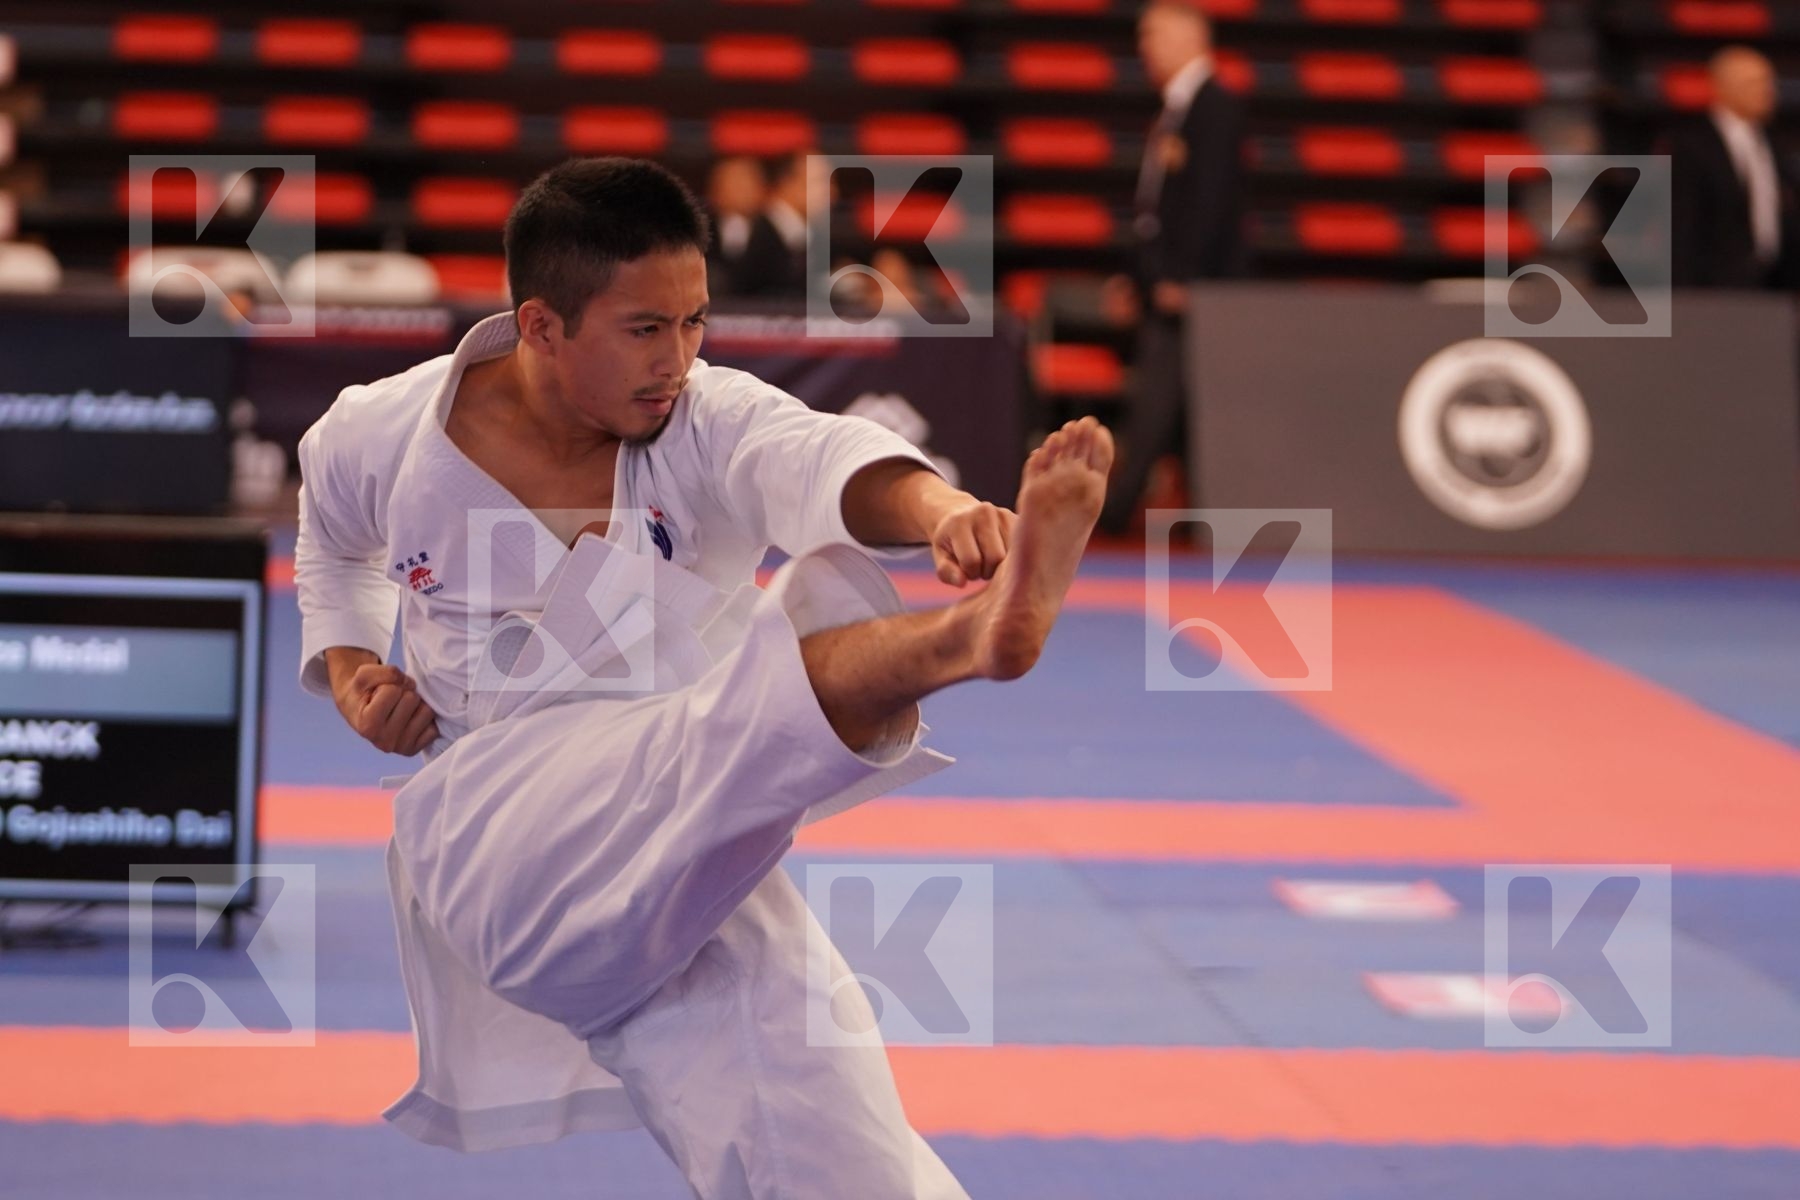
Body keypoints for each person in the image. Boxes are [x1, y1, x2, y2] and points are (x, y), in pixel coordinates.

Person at [293, 156, 1113, 1200]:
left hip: (695, 829)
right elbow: (331, 546)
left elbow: (811, 454)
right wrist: (359, 670)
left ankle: (975, 631)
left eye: (694, 324)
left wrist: (943, 515)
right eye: (645, 329)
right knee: (745, 705)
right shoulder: (386, 432)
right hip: (502, 833)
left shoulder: (697, 420)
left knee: (835, 1128)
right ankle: (964, 643)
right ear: (542, 326)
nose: (677, 359)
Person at [1099, 0, 1248, 535]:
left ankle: (1115, 513)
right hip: (1165, 285)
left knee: (1159, 399)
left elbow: (1210, 202)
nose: (1145, 46)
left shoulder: (1214, 107)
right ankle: (1199, 519)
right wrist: (1135, 275)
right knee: (1183, 407)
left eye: (1154, 33)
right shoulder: (1176, 108)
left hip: (1194, 290)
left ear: (1192, 36)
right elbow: (1155, 208)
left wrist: (1182, 278)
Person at [1669, 45, 1800, 289]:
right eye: (1754, 82)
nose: (1767, 91)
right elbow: (1681, 226)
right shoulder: (1690, 146)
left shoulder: (1774, 144)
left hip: (1775, 284)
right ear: (1721, 87)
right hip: (1715, 284)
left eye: (1769, 82)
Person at [733, 151, 812, 297]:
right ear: (788, 182)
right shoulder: (756, 233)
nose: (831, 192)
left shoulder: (807, 233)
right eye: (819, 182)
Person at [703, 156, 768, 296]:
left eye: (744, 184)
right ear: (713, 191)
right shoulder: (699, 233)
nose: (738, 191)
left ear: (761, 190)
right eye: (730, 183)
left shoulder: (773, 235)